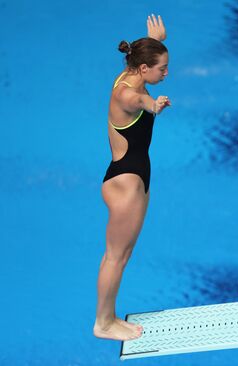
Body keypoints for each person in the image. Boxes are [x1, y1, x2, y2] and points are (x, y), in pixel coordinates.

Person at [94, 14, 170, 341]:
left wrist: (158, 41)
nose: (166, 73)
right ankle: (103, 323)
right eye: (162, 69)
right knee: (115, 256)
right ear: (144, 70)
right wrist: (156, 104)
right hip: (124, 182)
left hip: (136, 177)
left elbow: (144, 58)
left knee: (123, 256)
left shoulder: (133, 70)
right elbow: (142, 102)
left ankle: (109, 318)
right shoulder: (128, 95)